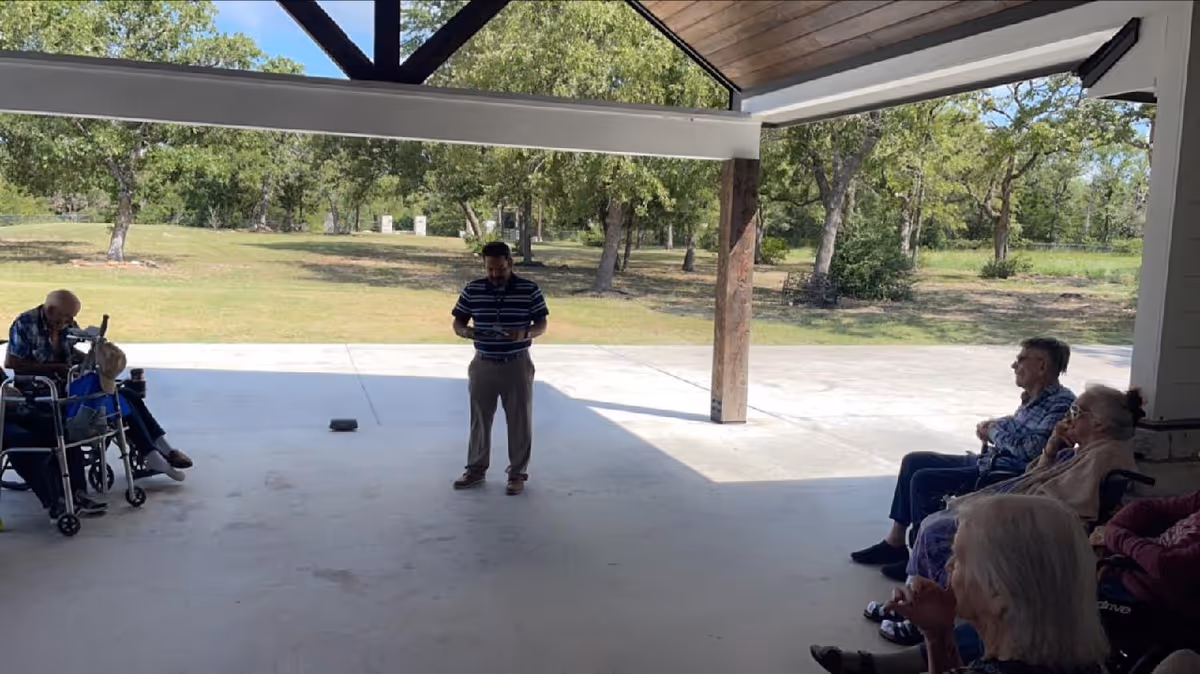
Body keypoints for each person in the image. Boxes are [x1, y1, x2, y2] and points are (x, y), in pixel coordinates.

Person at [852, 337, 1075, 581]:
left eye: (1021, 359)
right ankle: (895, 542)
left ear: (1042, 366)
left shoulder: (1061, 403)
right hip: (990, 461)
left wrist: (993, 431)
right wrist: (995, 424)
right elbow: (1018, 428)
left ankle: (923, 561)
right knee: (913, 461)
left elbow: (1031, 450)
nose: (1014, 365)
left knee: (924, 480)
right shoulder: (1032, 398)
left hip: (1005, 475)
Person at [815, 495, 1109, 674]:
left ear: (999, 591)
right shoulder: (1086, 663)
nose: (948, 566)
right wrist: (937, 635)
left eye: (960, 558)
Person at [6, 290, 193, 479]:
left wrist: (93, 359)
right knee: (119, 399)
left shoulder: (63, 323)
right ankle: (154, 453)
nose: (71, 321)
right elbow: (12, 362)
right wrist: (55, 368)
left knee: (128, 395)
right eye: (67, 317)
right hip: (40, 391)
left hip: (69, 384)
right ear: (51, 310)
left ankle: (161, 450)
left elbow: (70, 351)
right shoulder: (25, 324)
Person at [450, 241, 548, 496]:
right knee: (480, 420)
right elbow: (458, 321)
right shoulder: (473, 289)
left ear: (510, 263)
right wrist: (465, 331)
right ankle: (475, 470)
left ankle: (517, 474)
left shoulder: (529, 289)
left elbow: (541, 324)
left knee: (519, 420)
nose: (495, 274)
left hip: (517, 364)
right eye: (490, 269)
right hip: (483, 363)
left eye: (500, 269)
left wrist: (524, 333)